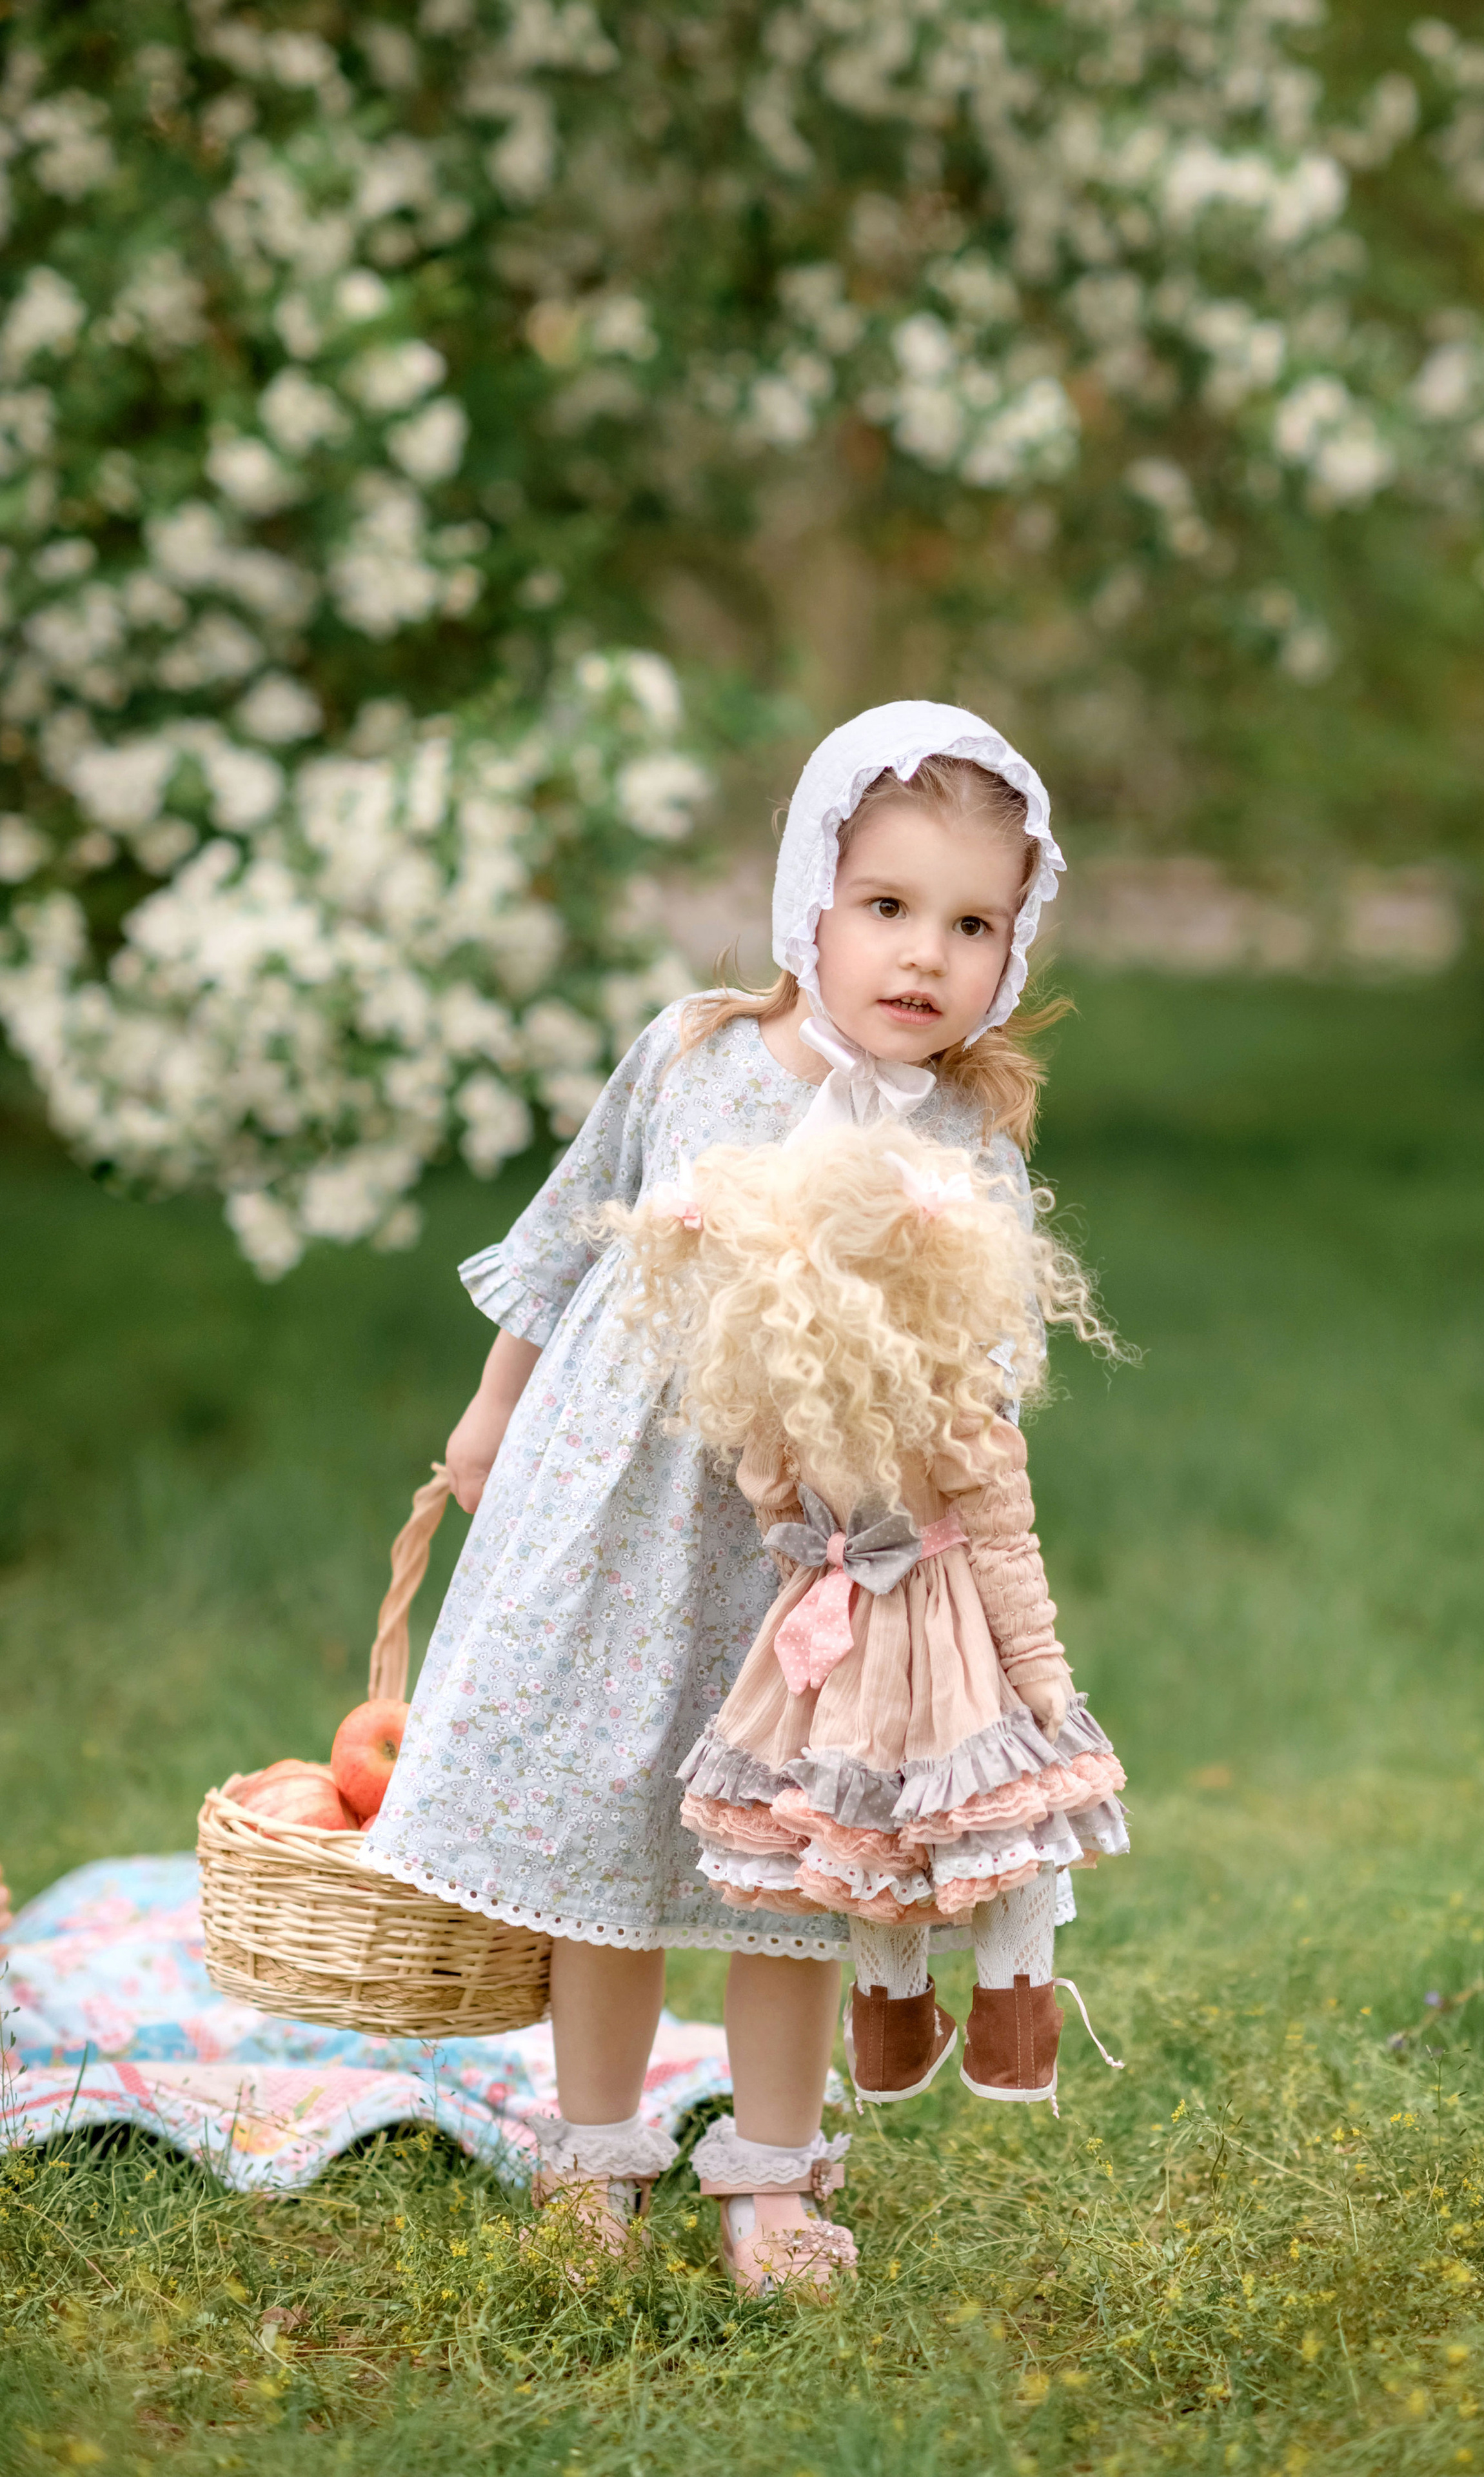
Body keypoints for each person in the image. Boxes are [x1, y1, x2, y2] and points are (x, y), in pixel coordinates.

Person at [361, 701, 1091, 2285]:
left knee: (793, 1865)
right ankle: (597, 2148)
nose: (921, 956)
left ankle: (769, 2171)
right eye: (885, 907)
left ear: (1012, 946)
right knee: (609, 1844)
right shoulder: (694, 1052)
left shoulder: (965, 1125)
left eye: (971, 924)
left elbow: (988, 1348)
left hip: (815, 1560)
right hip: (624, 1519)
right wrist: (489, 1412)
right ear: (807, 902)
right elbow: (568, 1234)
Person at [603, 1124, 1127, 2290]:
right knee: (1000, 1825)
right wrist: (1041, 1683)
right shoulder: (961, 1416)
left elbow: (773, 1511)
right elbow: (1004, 1553)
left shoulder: (796, 1417)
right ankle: (1009, 2017)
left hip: (830, 1649)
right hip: (937, 1649)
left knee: (868, 1834)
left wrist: (819, 1553)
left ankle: (893, 2027)